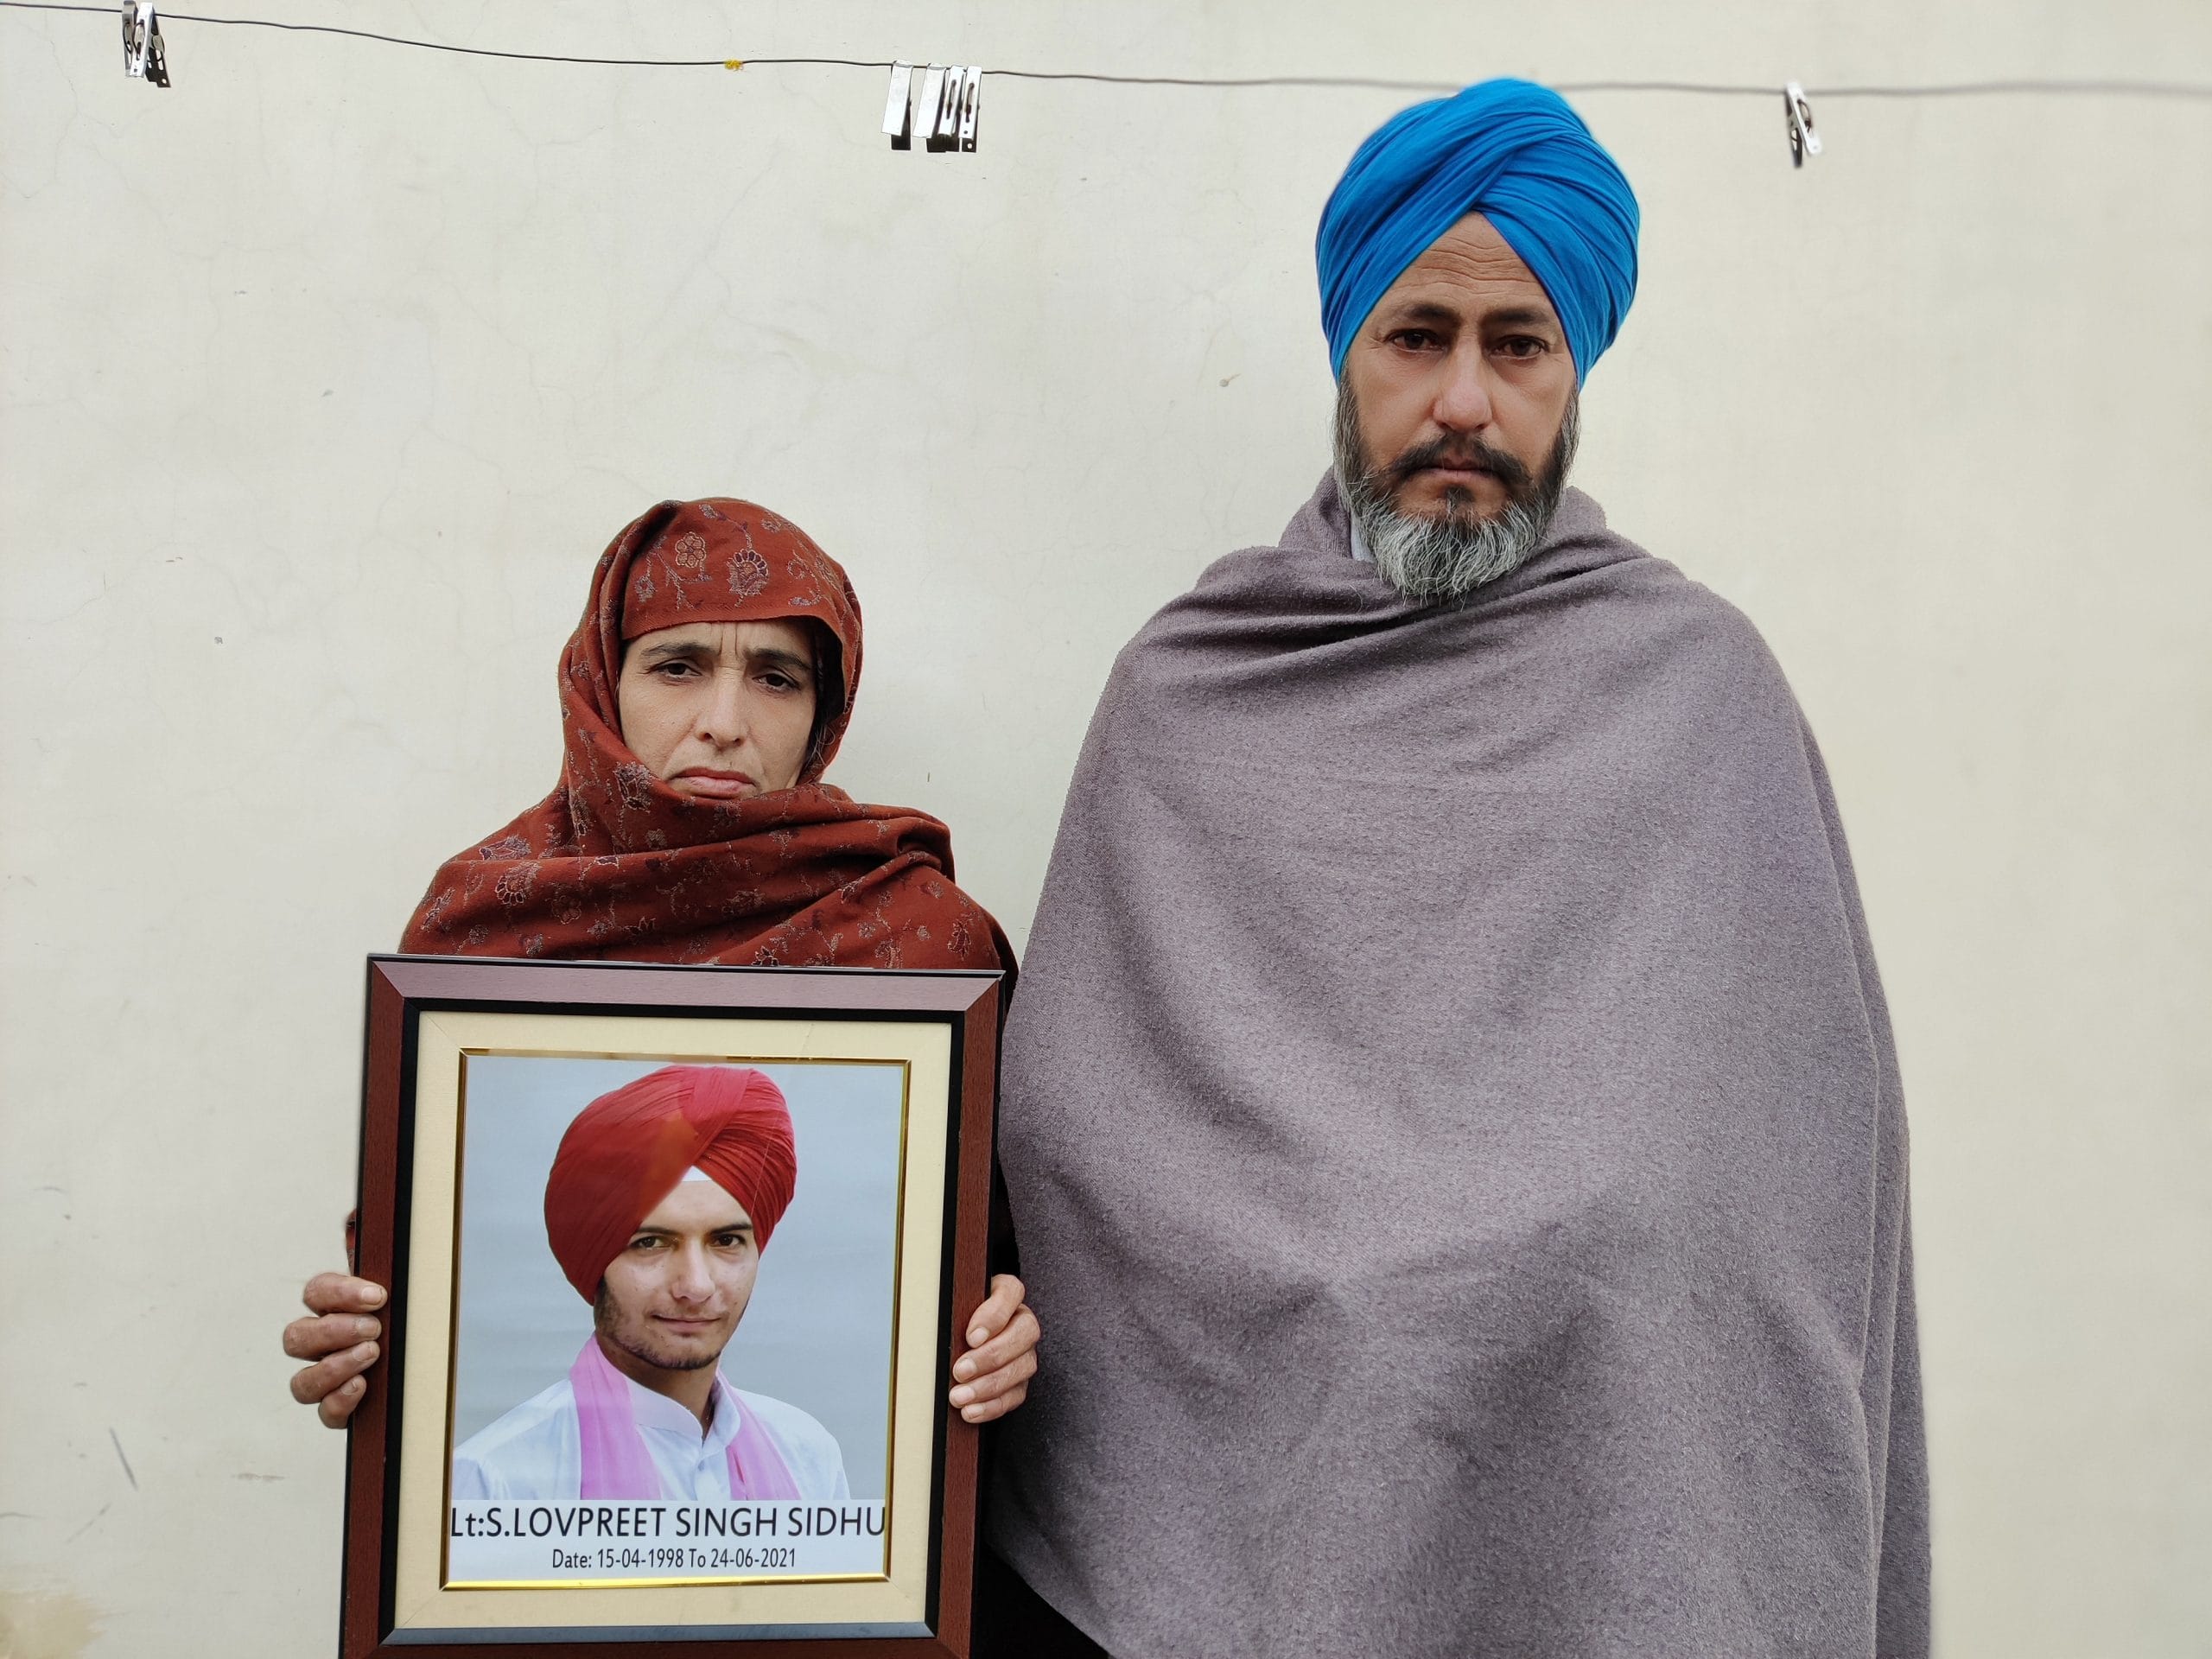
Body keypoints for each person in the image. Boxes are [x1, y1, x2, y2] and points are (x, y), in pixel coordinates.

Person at [989, 79, 1928, 1658]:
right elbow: (1073, 1132)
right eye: (1417, 339)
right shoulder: (1189, 686)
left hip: (1614, 1463)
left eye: (1519, 348)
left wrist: (1566, 1235)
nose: (1465, 408)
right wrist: (1323, 1263)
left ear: (1576, 374)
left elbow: (1800, 1177)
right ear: (1349, 352)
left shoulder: (1701, 690)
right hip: (1264, 1477)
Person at [283, 499, 1039, 1446]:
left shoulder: (924, 940)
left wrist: (1009, 1328)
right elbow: (426, 1260)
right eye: (677, 667)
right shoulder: (482, 926)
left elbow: (999, 1252)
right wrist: (367, 1339)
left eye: (776, 678)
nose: (724, 723)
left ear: (822, 712)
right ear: (601, 683)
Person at [453, 1064, 850, 1503]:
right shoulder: (496, 1479)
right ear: (595, 1258)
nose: (695, 1286)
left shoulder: (807, 1457)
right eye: (651, 1243)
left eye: (726, 1240)